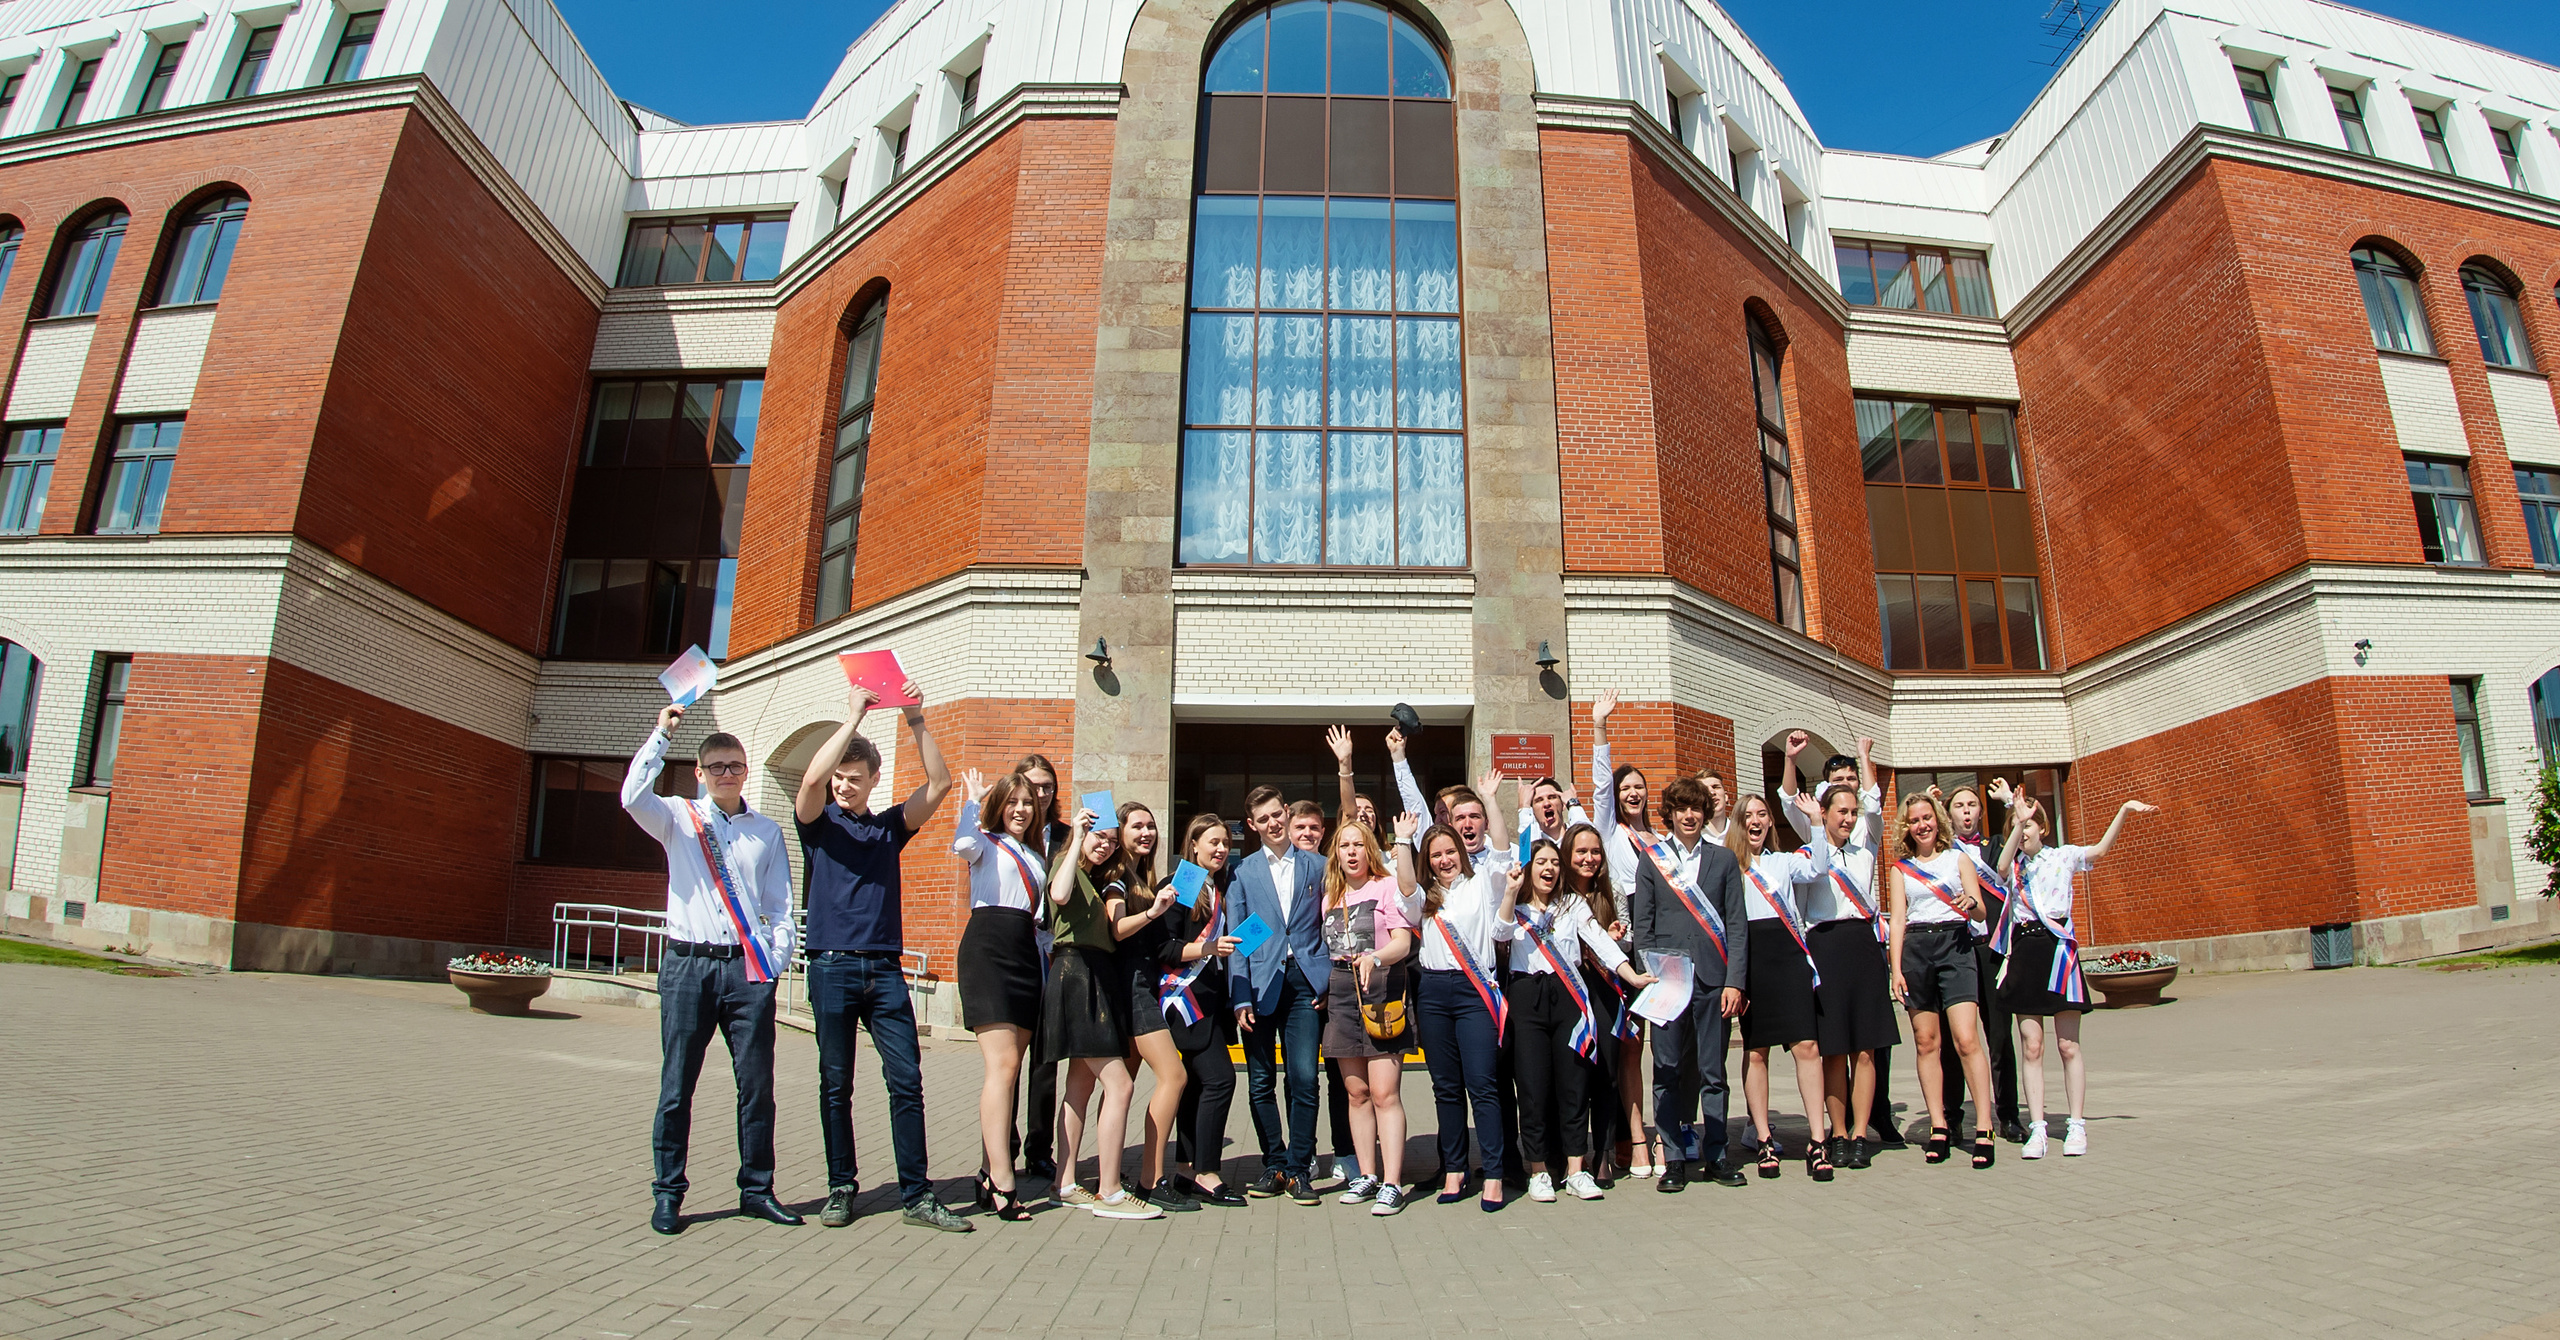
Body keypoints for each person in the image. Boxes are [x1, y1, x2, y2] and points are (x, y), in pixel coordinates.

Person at [792, 681, 968, 1232]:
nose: (844, 786)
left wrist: (916, 721)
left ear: (873, 781)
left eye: (855, 778)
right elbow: (811, 780)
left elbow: (939, 783)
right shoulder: (817, 824)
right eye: (840, 778)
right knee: (835, 1082)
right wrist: (852, 718)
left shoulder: (889, 828)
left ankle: (917, 1195)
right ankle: (841, 1187)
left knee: (906, 1081)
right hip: (831, 966)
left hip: (885, 970)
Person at [624, 704, 799, 1235]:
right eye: (717, 767)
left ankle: (757, 1189)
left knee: (757, 1086)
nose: (728, 774)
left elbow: (781, 906)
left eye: (736, 766)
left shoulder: (766, 832)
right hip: (688, 967)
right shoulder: (678, 817)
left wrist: (775, 961)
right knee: (677, 1085)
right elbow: (632, 795)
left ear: (746, 771)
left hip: (746, 972)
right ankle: (668, 1193)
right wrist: (661, 732)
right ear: (699, 773)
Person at [1996, 793, 2155, 1158]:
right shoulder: (2015, 865)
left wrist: (2124, 809)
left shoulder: (2063, 856)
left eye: (2030, 826)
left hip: (2059, 952)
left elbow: (2099, 850)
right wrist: (2017, 819)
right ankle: (2037, 1128)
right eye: (2018, 828)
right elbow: (2002, 867)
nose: (2023, 834)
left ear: (2044, 827)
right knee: (2032, 1046)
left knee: (2068, 1046)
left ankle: (2076, 1125)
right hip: (2025, 951)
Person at [1499, 837, 1656, 1202]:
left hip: (1568, 998)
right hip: (1527, 999)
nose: (1549, 869)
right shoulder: (1516, 907)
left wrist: (1630, 975)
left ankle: (1575, 1169)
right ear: (1528, 868)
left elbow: (1599, 941)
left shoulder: (1573, 904)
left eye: (1554, 862)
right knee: (1533, 1087)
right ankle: (1538, 1169)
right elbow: (1499, 933)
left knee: (1574, 1084)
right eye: (1541, 862)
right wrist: (1510, 893)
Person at [1781, 732, 1906, 1150]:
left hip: (1863, 947)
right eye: (1841, 812)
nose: (1849, 818)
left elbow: (1874, 802)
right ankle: (1836, 1131)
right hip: (1826, 947)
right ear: (1824, 812)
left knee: (1866, 1049)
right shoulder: (1809, 855)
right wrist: (1791, 760)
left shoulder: (1866, 850)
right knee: (1834, 1049)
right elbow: (1786, 798)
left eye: (1853, 812)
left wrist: (1866, 759)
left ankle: (1859, 1134)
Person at [1629, 776, 1750, 1192]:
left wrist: (1735, 981)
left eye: (1696, 808)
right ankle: (1674, 1159)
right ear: (1670, 814)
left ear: (1705, 812)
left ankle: (1717, 1154)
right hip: (1669, 983)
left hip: (1714, 982)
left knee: (1713, 1072)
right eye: (1681, 809)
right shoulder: (1653, 860)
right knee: (1667, 1070)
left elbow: (1737, 925)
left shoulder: (1723, 860)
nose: (1689, 816)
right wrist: (1651, 976)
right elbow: (1643, 927)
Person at [1041, 805, 1160, 1218]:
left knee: (1080, 1086)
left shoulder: (1101, 879)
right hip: (1077, 973)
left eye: (1111, 840)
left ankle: (1065, 1182)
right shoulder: (1066, 863)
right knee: (1121, 1086)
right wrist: (1076, 838)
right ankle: (1110, 1191)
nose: (1105, 845)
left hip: (1092, 975)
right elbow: (1057, 894)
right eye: (1100, 837)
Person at [1394, 813, 1515, 1212]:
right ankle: (1455, 1170)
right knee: (1445, 1088)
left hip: (1473, 990)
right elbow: (1407, 889)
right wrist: (1402, 840)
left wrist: (1492, 804)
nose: (1444, 860)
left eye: (1449, 852)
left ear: (1461, 854)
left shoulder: (1482, 886)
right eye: (1435, 855)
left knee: (1482, 1085)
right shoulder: (1424, 897)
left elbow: (1499, 850)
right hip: (1432, 991)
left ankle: (1494, 1173)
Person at [954, 770, 1050, 1221]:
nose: (1020, 809)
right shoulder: (983, 841)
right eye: (1012, 802)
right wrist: (972, 804)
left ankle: (986, 1170)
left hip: (1026, 953)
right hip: (988, 949)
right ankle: (1002, 1179)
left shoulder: (1035, 854)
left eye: (1027, 802)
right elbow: (961, 845)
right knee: (1004, 1065)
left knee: (1012, 1070)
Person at [1229, 785, 1331, 1204]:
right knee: (1259, 1081)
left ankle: (1299, 1168)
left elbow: (1332, 924)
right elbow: (1239, 938)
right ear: (1252, 825)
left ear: (1286, 813)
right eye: (1263, 819)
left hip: (1306, 982)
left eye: (1277, 814)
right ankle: (1273, 1163)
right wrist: (1239, 997)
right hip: (1259, 984)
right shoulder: (1244, 872)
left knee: (1305, 1078)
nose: (1273, 824)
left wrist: (1327, 981)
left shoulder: (1319, 866)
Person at [1728, 793, 1835, 1181]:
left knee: (1807, 1046)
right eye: (1747, 816)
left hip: (1788, 956)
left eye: (1762, 814)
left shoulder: (1784, 861)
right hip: (1752, 958)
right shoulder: (1729, 866)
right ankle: (1763, 1138)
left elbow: (1820, 867)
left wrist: (1816, 821)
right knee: (1756, 1051)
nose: (1755, 821)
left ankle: (1817, 1140)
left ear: (1771, 823)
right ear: (1737, 824)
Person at [1889, 793, 1999, 1170]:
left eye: (1927, 818)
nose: (1922, 825)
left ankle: (1984, 1125)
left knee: (1966, 1039)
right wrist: (1896, 969)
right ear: (1907, 827)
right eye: (1914, 820)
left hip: (1955, 944)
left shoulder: (1958, 859)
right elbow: (1898, 921)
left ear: (1938, 821)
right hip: (1917, 950)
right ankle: (1938, 1126)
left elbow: (1982, 909)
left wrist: (1972, 904)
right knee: (1925, 1042)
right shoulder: (1901, 869)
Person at [1318, 820, 1417, 1215]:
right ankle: (1366, 1174)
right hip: (1342, 992)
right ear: (1336, 853)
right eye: (1345, 846)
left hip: (1381, 990)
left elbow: (1403, 942)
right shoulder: (1330, 895)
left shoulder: (1386, 886)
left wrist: (1375, 957)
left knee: (1383, 1093)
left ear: (1370, 849)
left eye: (1359, 845)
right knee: (1356, 1093)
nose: (1352, 852)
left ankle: (1392, 1182)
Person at [1105, 800, 1196, 1212]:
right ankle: (1150, 1179)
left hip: (1140, 984)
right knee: (1173, 1076)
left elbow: (1166, 940)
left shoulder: (1146, 876)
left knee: (1119, 1088)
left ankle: (1111, 1178)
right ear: (1119, 832)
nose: (1146, 833)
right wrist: (1155, 910)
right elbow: (1117, 929)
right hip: (1131, 988)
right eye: (1137, 826)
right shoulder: (1117, 876)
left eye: (1151, 827)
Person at [1588, 691, 1659, 1178]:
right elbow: (1598, 788)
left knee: (1638, 1048)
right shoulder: (1610, 832)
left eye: (1639, 787)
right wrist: (1599, 729)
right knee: (1611, 1049)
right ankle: (1612, 1140)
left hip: (1655, 947)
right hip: (1618, 946)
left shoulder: (1661, 840)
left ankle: (1639, 1140)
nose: (1632, 793)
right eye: (1625, 787)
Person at [1936, 782, 2026, 1143]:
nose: (1967, 811)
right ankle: (1952, 1115)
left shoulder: (1995, 848)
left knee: (2000, 1034)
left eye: (1973, 805)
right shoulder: (1942, 855)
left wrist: (2013, 805)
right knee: (1955, 1036)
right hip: (1956, 948)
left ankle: (2009, 1113)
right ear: (1949, 813)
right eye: (1959, 806)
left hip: (1991, 948)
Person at [1163, 815, 1244, 1205]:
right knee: (1220, 1081)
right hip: (1184, 1002)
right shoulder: (1184, 883)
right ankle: (1208, 1173)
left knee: (1197, 1087)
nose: (1220, 849)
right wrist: (1207, 949)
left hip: (1212, 1002)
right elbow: (1165, 948)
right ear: (1192, 844)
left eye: (1225, 843)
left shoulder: (1221, 885)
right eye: (1212, 842)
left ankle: (1183, 1169)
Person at [1560, 822, 1634, 1182]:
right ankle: (1570, 1151)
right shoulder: (1556, 894)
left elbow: (1629, 939)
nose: (1589, 859)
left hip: (1604, 989)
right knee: (1573, 1075)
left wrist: (1617, 939)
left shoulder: (1611, 893)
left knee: (1607, 1073)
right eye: (1581, 852)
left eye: (1594, 852)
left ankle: (1602, 1152)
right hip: (1569, 989)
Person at [1011, 755, 1070, 1184]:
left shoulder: (1068, 836)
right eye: (1033, 786)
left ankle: (1039, 1149)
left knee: (1045, 1060)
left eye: (1047, 785)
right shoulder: (1007, 833)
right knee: (1008, 1058)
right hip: (1014, 950)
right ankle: (1001, 1148)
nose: (1041, 793)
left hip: (1056, 952)